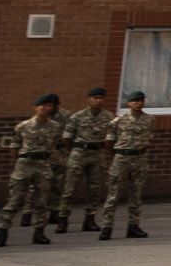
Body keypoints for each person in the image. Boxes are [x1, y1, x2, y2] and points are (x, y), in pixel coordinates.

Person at [0, 91, 63, 245]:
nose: (46, 109)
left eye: (49, 106)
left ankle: (39, 232)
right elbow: (14, 147)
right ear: (36, 108)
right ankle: (3, 232)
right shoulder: (23, 126)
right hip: (25, 163)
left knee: (42, 201)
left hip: (43, 164)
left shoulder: (54, 127)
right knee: (14, 200)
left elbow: (54, 146)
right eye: (43, 106)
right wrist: (17, 165)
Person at [100, 89, 154, 240]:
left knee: (136, 195)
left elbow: (148, 139)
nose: (138, 103)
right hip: (121, 158)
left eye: (141, 101)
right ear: (129, 103)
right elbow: (109, 142)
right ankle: (106, 227)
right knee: (113, 195)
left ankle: (133, 226)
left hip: (139, 159)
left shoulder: (149, 120)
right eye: (135, 101)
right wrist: (114, 158)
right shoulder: (118, 121)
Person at [62, 87, 114, 234]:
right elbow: (66, 137)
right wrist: (75, 150)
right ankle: (63, 219)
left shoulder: (108, 117)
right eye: (95, 98)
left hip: (97, 154)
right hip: (79, 153)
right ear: (88, 99)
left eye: (101, 98)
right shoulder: (77, 116)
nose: (98, 101)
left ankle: (90, 219)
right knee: (69, 188)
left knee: (94, 189)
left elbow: (111, 137)